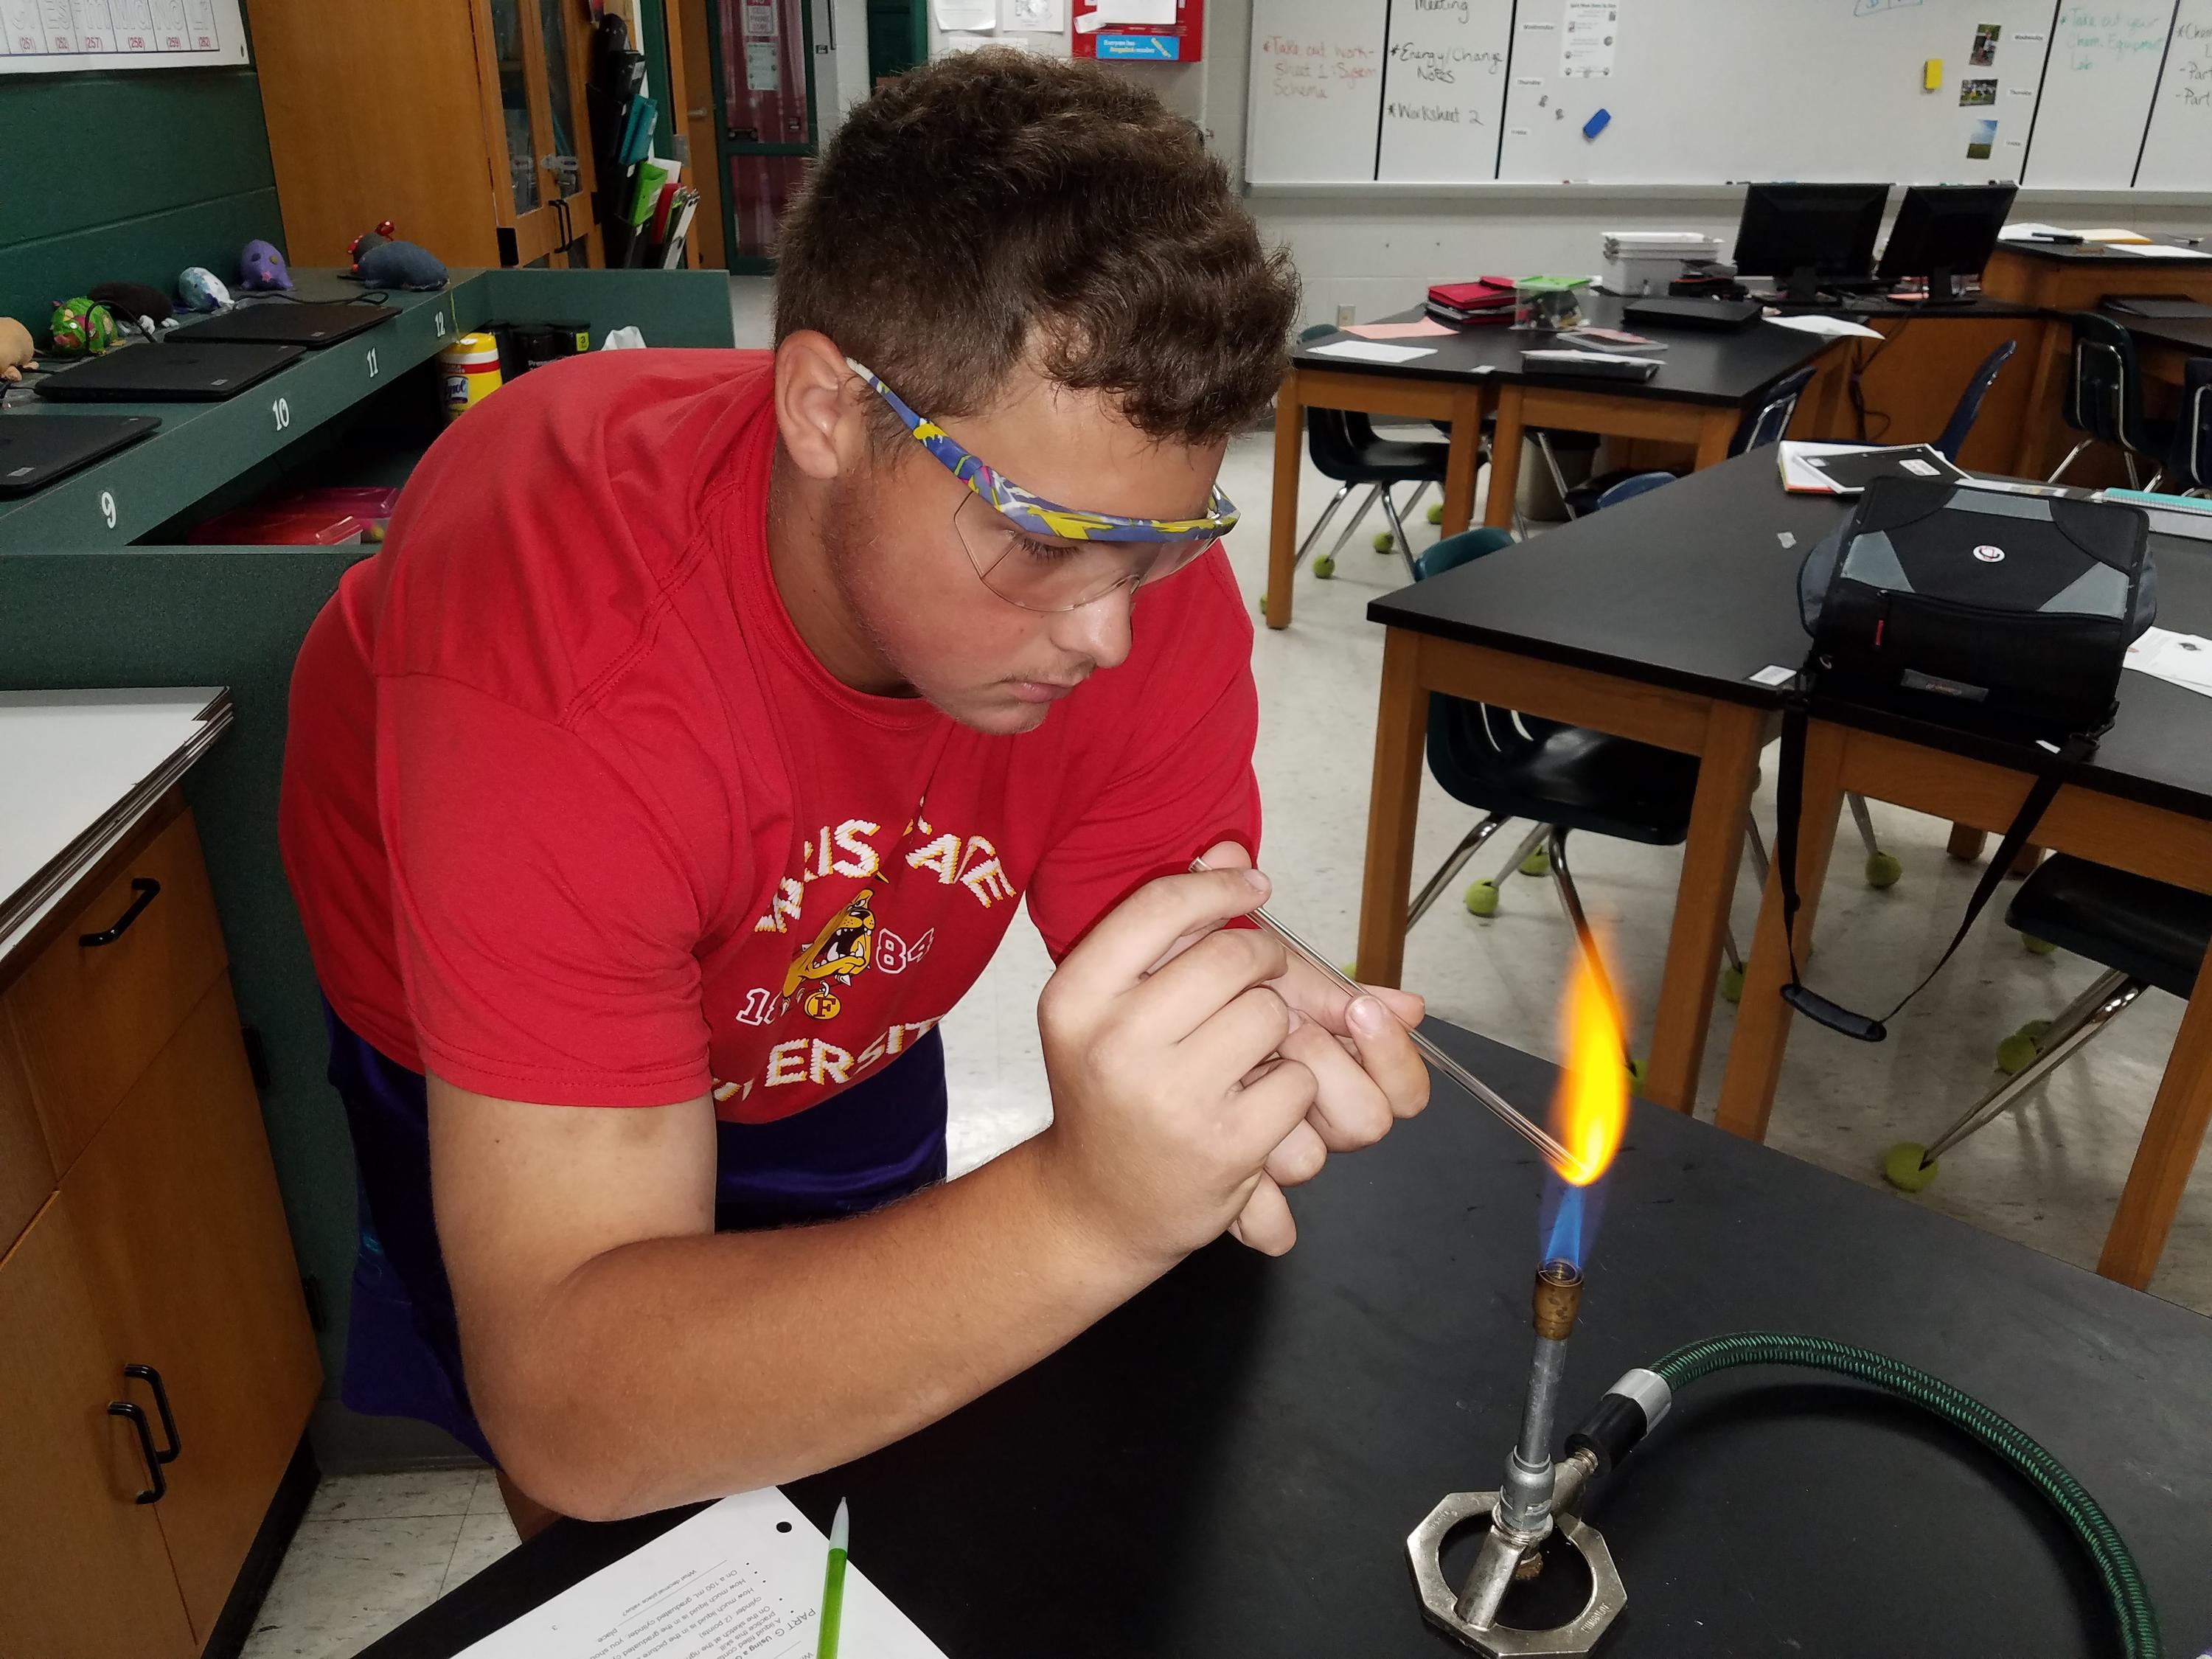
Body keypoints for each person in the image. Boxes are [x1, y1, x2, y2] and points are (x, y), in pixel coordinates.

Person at [279, 49, 1428, 1535]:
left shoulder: (1124, 575)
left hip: (834, 986)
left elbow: (1188, 978)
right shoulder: (554, 637)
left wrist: (1256, 1038)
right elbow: (572, 1400)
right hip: (488, 994)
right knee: (623, 1512)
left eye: (1161, 543)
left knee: (870, 1431)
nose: (1111, 635)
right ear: (824, 409)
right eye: (1043, 536)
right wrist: (1084, 1207)